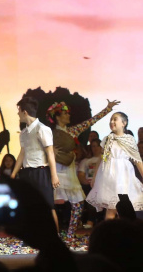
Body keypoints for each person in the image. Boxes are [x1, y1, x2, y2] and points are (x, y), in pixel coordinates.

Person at [46, 99, 120, 240]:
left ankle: (70, 234)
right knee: (50, 205)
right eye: (65, 114)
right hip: (56, 172)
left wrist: (107, 109)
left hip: (70, 172)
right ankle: (51, 234)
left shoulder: (72, 131)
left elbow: (91, 121)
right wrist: (50, 151)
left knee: (78, 205)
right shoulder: (49, 134)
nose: (68, 116)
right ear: (57, 116)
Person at [11, 95, 60, 230]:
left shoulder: (42, 129)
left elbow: (50, 152)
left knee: (48, 206)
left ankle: (54, 238)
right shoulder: (24, 132)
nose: (18, 114)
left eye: (19, 111)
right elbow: (22, 153)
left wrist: (54, 175)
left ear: (25, 112)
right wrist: (14, 173)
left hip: (41, 171)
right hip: (26, 172)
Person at [86, 112, 143, 220]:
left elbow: (137, 161)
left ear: (124, 123)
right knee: (111, 209)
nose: (112, 122)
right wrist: (94, 177)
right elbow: (102, 158)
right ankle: (109, 234)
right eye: (111, 120)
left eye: (115, 119)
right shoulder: (107, 139)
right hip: (109, 177)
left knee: (124, 208)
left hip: (123, 176)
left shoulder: (129, 139)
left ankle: (126, 233)